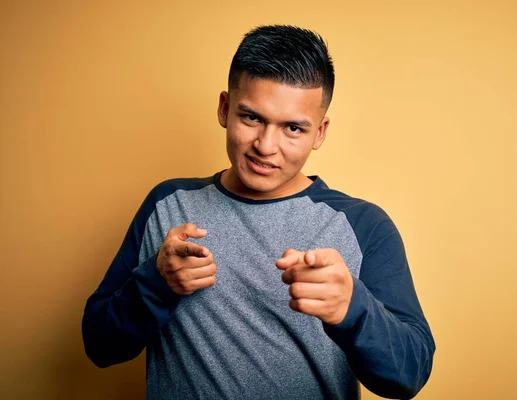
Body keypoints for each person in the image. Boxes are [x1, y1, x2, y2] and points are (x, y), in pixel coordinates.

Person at [82, 25, 435, 400]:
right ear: (224, 109)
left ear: (320, 132)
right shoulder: (168, 205)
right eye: (251, 118)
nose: (266, 146)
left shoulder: (364, 225)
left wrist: (353, 310)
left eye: (293, 128)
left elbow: (409, 376)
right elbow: (99, 346)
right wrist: (156, 282)